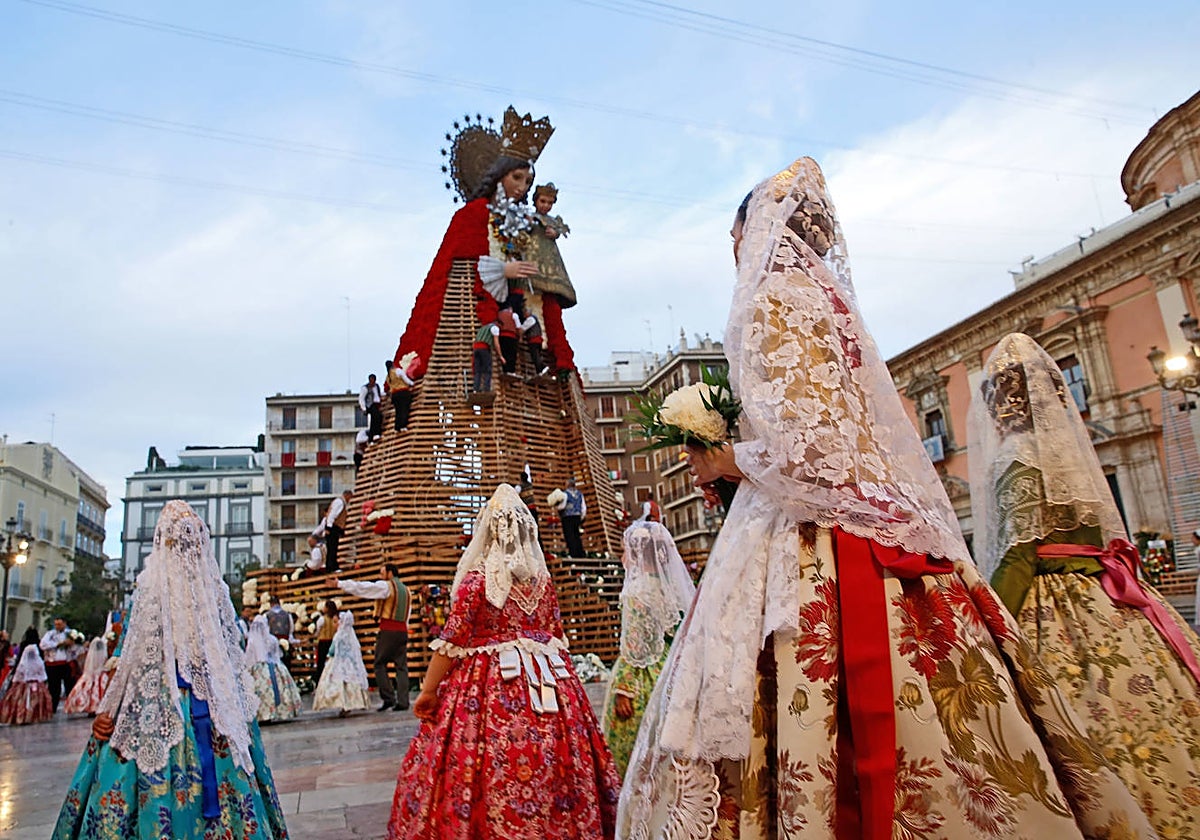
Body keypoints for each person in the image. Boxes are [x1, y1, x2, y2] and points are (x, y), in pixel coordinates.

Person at [615, 158, 1154, 839]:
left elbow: (810, 451)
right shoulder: (834, 305)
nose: (733, 248)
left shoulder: (772, 298)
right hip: (879, 519)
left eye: (735, 233)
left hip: (809, 537)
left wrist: (729, 458)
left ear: (761, 230)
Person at [968, 331, 1200, 835]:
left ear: (1000, 402)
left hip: (1051, 606)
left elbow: (1018, 558)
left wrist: (985, 628)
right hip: (1108, 599)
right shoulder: (1069, 452)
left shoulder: (1016, 456)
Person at [385, 485, 619, 838]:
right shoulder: (543, 582)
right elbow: (555, 632)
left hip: (491, 686)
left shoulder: (477, 582)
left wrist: (429, 690)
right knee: (560, 757)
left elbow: (451, 641)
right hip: (550, 686)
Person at [51, 500, 288, 839]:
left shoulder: (176, 592)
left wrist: (110, 710)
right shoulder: (197, 593)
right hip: (191, 712)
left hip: (182, 711)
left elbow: (130, 658)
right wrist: (110, 710)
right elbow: (134, 658)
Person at [393, 108, 578, 382]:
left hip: (521, 303)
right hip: (477, 311)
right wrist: (504, 271)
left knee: (530, 331)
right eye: (517, 178)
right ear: (500, 175)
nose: (523, 187)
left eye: (528, 181)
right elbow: (459, 266)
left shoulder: (526, 221)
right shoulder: (473, 214)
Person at [601, 520, 694, 778]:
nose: (622, 558)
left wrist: (624, 688)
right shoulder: (671, 588)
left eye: (624, 551)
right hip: (670, 670)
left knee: (634, 746)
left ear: (637, 553)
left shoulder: (637, 590)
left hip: (642, 678)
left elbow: (634, 645)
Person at [336, 564, 411, 711]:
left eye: (382, 573)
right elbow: (407, 614)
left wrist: (341, 584)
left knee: (379, 664)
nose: (380, 576)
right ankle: (403, 701)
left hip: (388, 630)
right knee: (401, 666)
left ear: (390, 573)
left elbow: (364, 588)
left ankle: (388, 698)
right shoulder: (406, 590)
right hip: (402, 630)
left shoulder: (386, 586)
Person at [311, 611, 370, 716]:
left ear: (341, 622)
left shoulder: (339, 635)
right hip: (350, 663)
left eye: (335, 622)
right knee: (350, 683)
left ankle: (343, 704)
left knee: (337, 683)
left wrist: (329, 654)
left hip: (337, 663)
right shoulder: (350, 635)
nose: (334, 624)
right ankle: (353, 702)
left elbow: (332, 650)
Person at [245, 616, 301, 724]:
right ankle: (278, 711)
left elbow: (249, 657)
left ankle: (263, 714)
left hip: (258, 669)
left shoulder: (252, 640)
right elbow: (277, 655)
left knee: (259, 690)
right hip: (274, 667)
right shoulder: (272, 639)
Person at [0, 645, 53, 725]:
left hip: (28, 685)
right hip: (33, 685)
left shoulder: (25, 664)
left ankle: (27, 717)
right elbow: (43, 676)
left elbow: (18, 675)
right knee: (33, 702)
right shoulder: (37, 663)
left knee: (25, 702)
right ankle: (32, 717)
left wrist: (16, 683)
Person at [40, 616, 79, 713]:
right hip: (53, 663)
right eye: (56, 624)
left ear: (64, 624)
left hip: (67, 662)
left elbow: (77, 647)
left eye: (59, 624)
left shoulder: (70, 634)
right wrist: (58, 644)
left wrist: (71, 644)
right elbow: (43, 645)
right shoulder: (50, 634)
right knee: (54, 686)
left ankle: (71, 706)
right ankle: (53, 706)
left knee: (70, 685)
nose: (57, 626)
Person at [63, 637, 111, 716]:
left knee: (89, 690)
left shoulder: (91, 654)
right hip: (101, 674)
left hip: (91, 674)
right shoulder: (103, 654)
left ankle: (91, 707)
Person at [321, 489, 352, 573]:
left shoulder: (339, 502)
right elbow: (332, 515)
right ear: (347, 495)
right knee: (332, 548)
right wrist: (329, 528)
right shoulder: (340, 502)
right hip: (332, 528)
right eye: (350, 497)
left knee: (332, 548)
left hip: (333, 528)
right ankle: (332, 567)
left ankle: (331, 566)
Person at [556, 477, 586, 557]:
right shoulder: (579, 494)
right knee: (577, 535)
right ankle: (580, 553)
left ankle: (573, 553)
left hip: (568, 517)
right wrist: (582, 516)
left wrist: (557, 507)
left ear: (568, 485)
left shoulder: (565, 494)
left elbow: (562, 506)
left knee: (569, 536)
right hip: (577, 516)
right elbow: (583, 507)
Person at [384, 358, 415, 432]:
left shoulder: (388, 376)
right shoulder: (398, 371)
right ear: (393, 364)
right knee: (404, 409)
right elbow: (406, 380)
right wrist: (412, 384)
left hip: (394, 395)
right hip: (402, 392)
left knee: (398, 411)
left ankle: (397, 427)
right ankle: (403, 426)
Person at [472, 318, 502, 393]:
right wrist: (500, 356)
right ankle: (486, 389)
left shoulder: (482, 328)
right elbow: (496, 343)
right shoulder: (495, 328)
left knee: (477, 371)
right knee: (487, 370)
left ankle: (475, 389)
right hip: (484, 348)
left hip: (476, 349)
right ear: (498, 323)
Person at [314, 599, 339, 681]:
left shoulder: (322, 619)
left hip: (323, 642)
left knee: (321, 663)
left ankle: (320, 680)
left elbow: (318, 630)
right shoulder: (335, 619)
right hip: (333, 641)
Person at [497, 302, 520, 374]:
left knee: (504, 353)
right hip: (511, 336)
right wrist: (519, 336)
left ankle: (505, 370)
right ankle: (511, 370)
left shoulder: (499, 314)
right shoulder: (514, 315)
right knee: (511, 353)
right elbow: (518, 326)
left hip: (501, 336)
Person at [360, 373, 384, 441]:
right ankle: (374, 435)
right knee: (375, 417)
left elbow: (378, 394)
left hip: (377, 404)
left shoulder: (376, 386)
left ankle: (377, 434)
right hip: (370, 405)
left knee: (379, 417)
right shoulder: (365, 388)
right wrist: (364, 408)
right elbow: (361, 398)